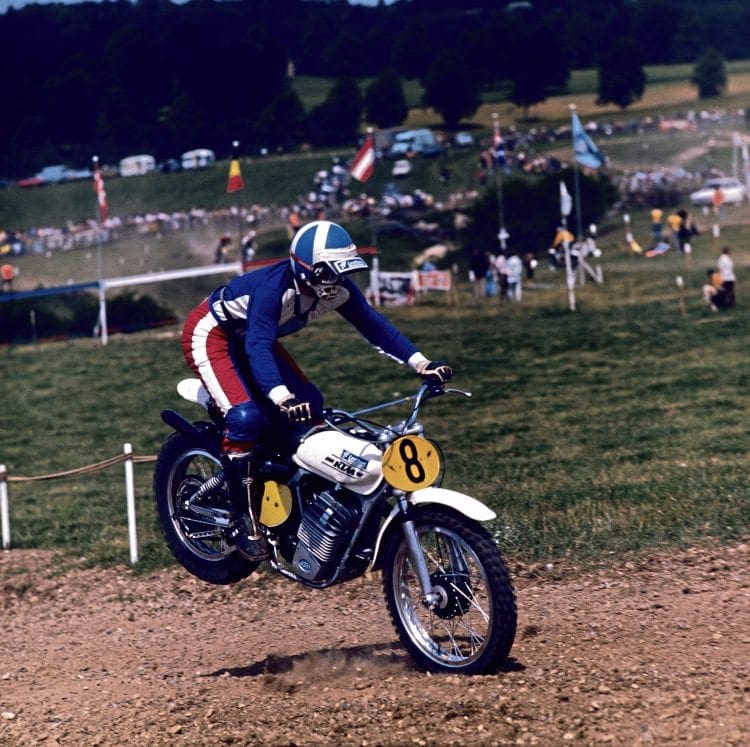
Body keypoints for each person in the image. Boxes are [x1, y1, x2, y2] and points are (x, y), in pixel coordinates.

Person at [181, 220, 453, 561]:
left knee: (311, 404)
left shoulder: (338, 290)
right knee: (246, 417)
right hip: (213, 335)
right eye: (327, 273)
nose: (334, 282)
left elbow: (374, 326)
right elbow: (259, 347)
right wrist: (281, 396)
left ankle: (288, 491)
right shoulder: (273, 289)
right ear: (304, 267)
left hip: (250, 337)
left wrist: (421, 363)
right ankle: (241, 521)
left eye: (340, 273)